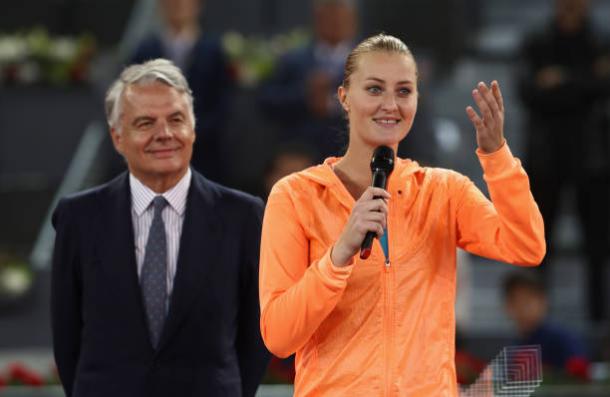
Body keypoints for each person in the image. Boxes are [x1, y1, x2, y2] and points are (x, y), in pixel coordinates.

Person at [259, 34, 545, 396]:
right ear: (344, 97)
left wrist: (497, 157)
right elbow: (278, 336)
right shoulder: (295, 196)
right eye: (375, 89)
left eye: (404, 91)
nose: (390, 104)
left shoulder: (444, 192)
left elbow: (527, 246)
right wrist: (338, 256)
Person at [51, 59, 269, 397]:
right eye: (145, 123)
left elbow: (257, 337)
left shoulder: (242, 216)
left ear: (193, 130)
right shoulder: (78, 218)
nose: (164, 134)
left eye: (176, 120)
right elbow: (66, 339)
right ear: (117, 138)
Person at [516, 0, 610, 321]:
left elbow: (603, 87)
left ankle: (600, 330)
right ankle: (533, 324)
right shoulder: (537, 39)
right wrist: (585, 82)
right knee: (539, 245)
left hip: (594, 159)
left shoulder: (601, 39)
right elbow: (527, 90)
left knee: (598, 249)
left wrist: (561, 81)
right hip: (546, 157)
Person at [131, 0, 232, 183]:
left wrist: (186, 134)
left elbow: (223, 105)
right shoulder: (145, 50)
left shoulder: (213, 50)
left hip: (204, 156)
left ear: (197, 5)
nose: (177, 5)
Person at [259, 0, 358, 161]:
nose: (336, 24)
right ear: (317, 20)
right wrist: (305, 95)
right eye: (330, 18)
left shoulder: (368, 62)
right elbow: (266, 101)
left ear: (353, 21)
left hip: (351, 156)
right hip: (299, 155)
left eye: (341, 18)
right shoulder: (292, 60)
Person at [503, 271, 590, 381]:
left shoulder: (563, 339)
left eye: (528, 301)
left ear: (543, 301)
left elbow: (580, 378)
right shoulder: (515, 344)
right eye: (516, 301)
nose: (522, 307)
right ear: (507, 306)